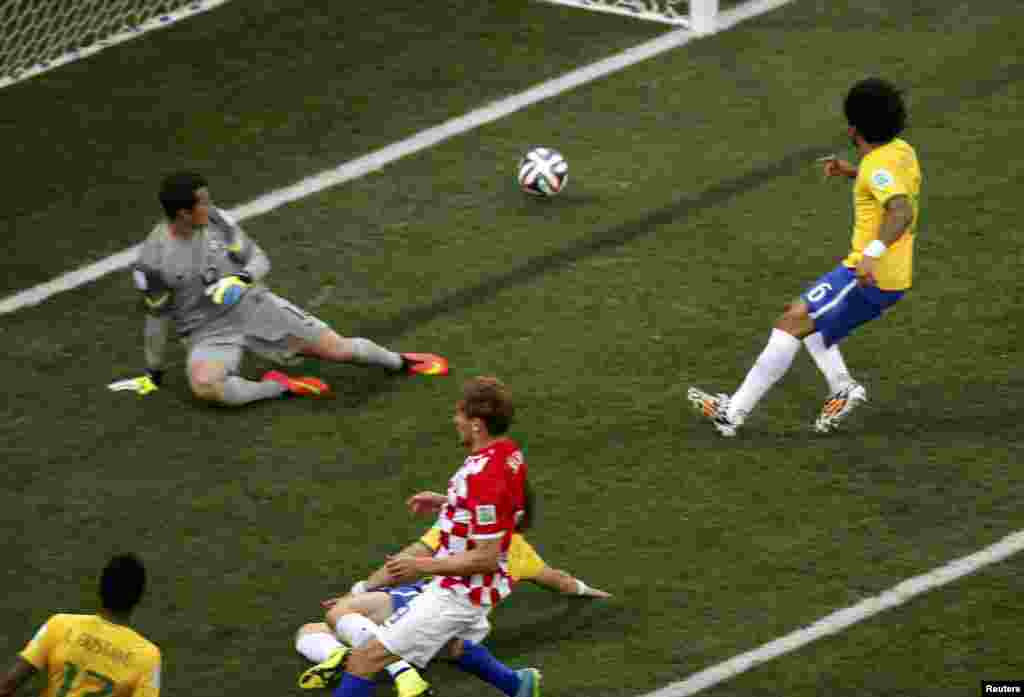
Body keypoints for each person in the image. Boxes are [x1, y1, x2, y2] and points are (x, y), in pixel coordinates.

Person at [689, 77, 921, 436]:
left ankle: (732, 413)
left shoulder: (877, 167)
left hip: (871, 274)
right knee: (810, 321)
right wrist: (852, 173)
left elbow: (900, 210)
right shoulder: (901, 152)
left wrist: (872, 255)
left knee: (791, 322)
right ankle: (843, 388)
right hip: (888, 272)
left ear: (852, 127)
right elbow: (887, 180)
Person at [298, 377, 543, 697]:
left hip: (457, 593)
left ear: (477, 425)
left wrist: (420, 567)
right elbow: (508, 506)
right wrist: (448, 502)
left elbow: (484, 556)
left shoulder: (485, 476)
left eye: (460, 416)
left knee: (364, 659)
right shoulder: (507, 453)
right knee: (453, 647)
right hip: (475, 589)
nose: (455, 421)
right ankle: (520, 686)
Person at [115, 172, 447, 405]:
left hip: (253, 306)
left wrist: (241, 280)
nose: (211, 205)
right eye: (203, 202)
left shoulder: (216, 220)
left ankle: (401, 362)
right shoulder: (153, 260)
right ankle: (277, 388)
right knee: (207, 387)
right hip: (207, 331)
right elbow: (156, 318)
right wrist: (153, 371)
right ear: (183, 214)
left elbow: (259, 260)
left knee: (341, 350)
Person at [294, 527, 611, 697]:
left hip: (438, 605)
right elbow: (559, 581)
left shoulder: (467, 526)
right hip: (436, 605)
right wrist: (586, 590)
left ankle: (392, 667)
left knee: (351, 628)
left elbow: (411, 558)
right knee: (317, 627)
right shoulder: (511, 546)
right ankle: (372, 662)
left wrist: (364, 588)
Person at [0, 555, 161, 697]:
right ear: (139, 598)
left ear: (100, 589)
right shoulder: (147, 657)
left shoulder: (59, 624)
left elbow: (7, 685)